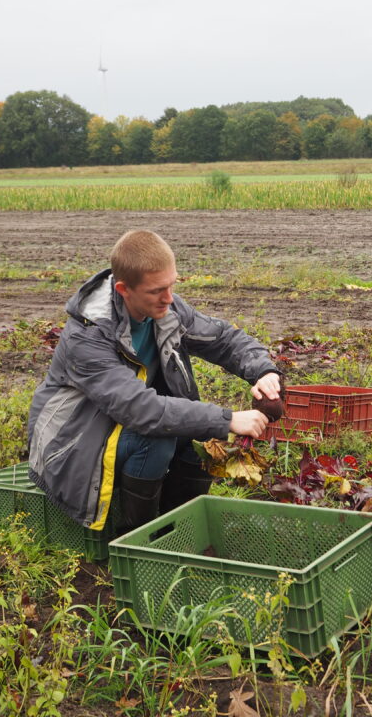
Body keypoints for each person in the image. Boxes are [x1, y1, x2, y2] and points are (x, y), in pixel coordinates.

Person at [28, 229, 281, 535]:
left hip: (119, 428)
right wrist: (227, 419)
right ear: (124, 289)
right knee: (158, 439)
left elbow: (223, 340)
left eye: (171, 285)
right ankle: (139, 538)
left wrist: (263, 371)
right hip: (72, 444)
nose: (169, 298)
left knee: (200, 438)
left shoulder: (165, 307)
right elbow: (140, 409)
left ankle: (179, 530)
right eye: (157, 290)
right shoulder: (88, 336)